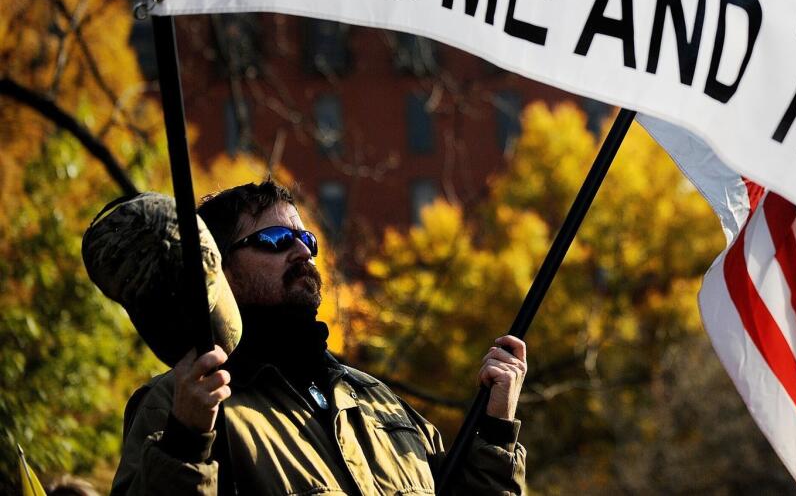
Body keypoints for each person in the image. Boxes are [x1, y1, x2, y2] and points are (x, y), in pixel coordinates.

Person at [111, 179, 527, 495]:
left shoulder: (382, 404)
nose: (303, 251)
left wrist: (494, 429)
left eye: (306, 238)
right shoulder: (179, 405)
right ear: (221, 270)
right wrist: (187, 442)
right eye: (275, 240)